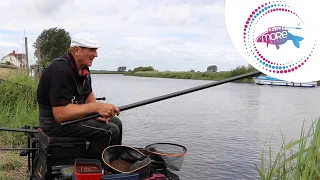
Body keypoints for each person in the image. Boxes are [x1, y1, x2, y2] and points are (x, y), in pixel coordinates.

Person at [36, 32, 122, 161]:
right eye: (91, 50)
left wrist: (97, 113)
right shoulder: (61, 70)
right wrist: (95, 108)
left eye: (96, 50)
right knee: (110, 131)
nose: (96, 54)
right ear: (77, 50)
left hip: (68, 118)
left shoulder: (83, 69)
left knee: (116, 123)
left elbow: (88, 93)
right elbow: (60, 115)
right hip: (53, 123)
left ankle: (110, 165)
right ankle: (89, 168)